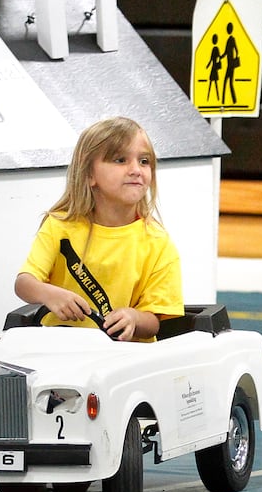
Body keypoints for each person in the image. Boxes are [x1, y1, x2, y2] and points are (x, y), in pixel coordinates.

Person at [15, 116, 182, 342]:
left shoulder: (157, 242)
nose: (135, 169)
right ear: (90, 174)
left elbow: (154, 322)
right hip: (57, 349)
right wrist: (49, 294)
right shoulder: (59, 225)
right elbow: (24, 283)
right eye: (120, 160)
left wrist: (133, 318)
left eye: (144, 161)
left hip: (122, 358)